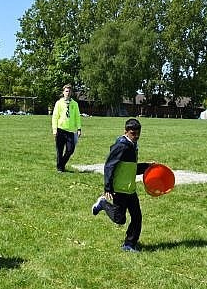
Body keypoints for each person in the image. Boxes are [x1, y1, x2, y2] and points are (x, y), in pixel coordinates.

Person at [91, 118, 150, 253]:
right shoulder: (121, 146)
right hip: (119, 189)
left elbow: (131, 168)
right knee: (120, 219)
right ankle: (103, 203)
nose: (136, 136)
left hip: (130, 189)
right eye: (133, 133)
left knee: (137, 218)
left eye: (138, 133)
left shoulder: (133, 146)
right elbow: (109, 166)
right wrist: (108, 187)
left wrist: (147, 166)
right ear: (126, 131)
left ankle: (129, 244)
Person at [52, 84, 82, 172]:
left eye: (69, 91)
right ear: (63, 92)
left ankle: (62, 164)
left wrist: (79, 128)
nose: (68, 93)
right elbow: (55, 117)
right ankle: (60, 168)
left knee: (70, 149)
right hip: (60, 129)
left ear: (71, 93)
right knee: (60, 150)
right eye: (66, 91)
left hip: (70, 131)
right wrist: (54, 129)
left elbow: (77, 116)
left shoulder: (74, 104)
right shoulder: (59, 103)